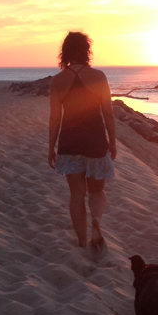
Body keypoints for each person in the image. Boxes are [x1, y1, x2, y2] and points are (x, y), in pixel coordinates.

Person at [48, 31, 117, 249]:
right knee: (96, 190)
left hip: (69, 143)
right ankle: (95, 219)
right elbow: (108, 113)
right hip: (95, 141)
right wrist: (112, 141)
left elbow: (54, 118)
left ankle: (81, 241)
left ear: (65, 52)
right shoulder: (99, 77)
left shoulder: (58, 80)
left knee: (76, 195)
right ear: (86, 51)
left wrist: (51, 146)